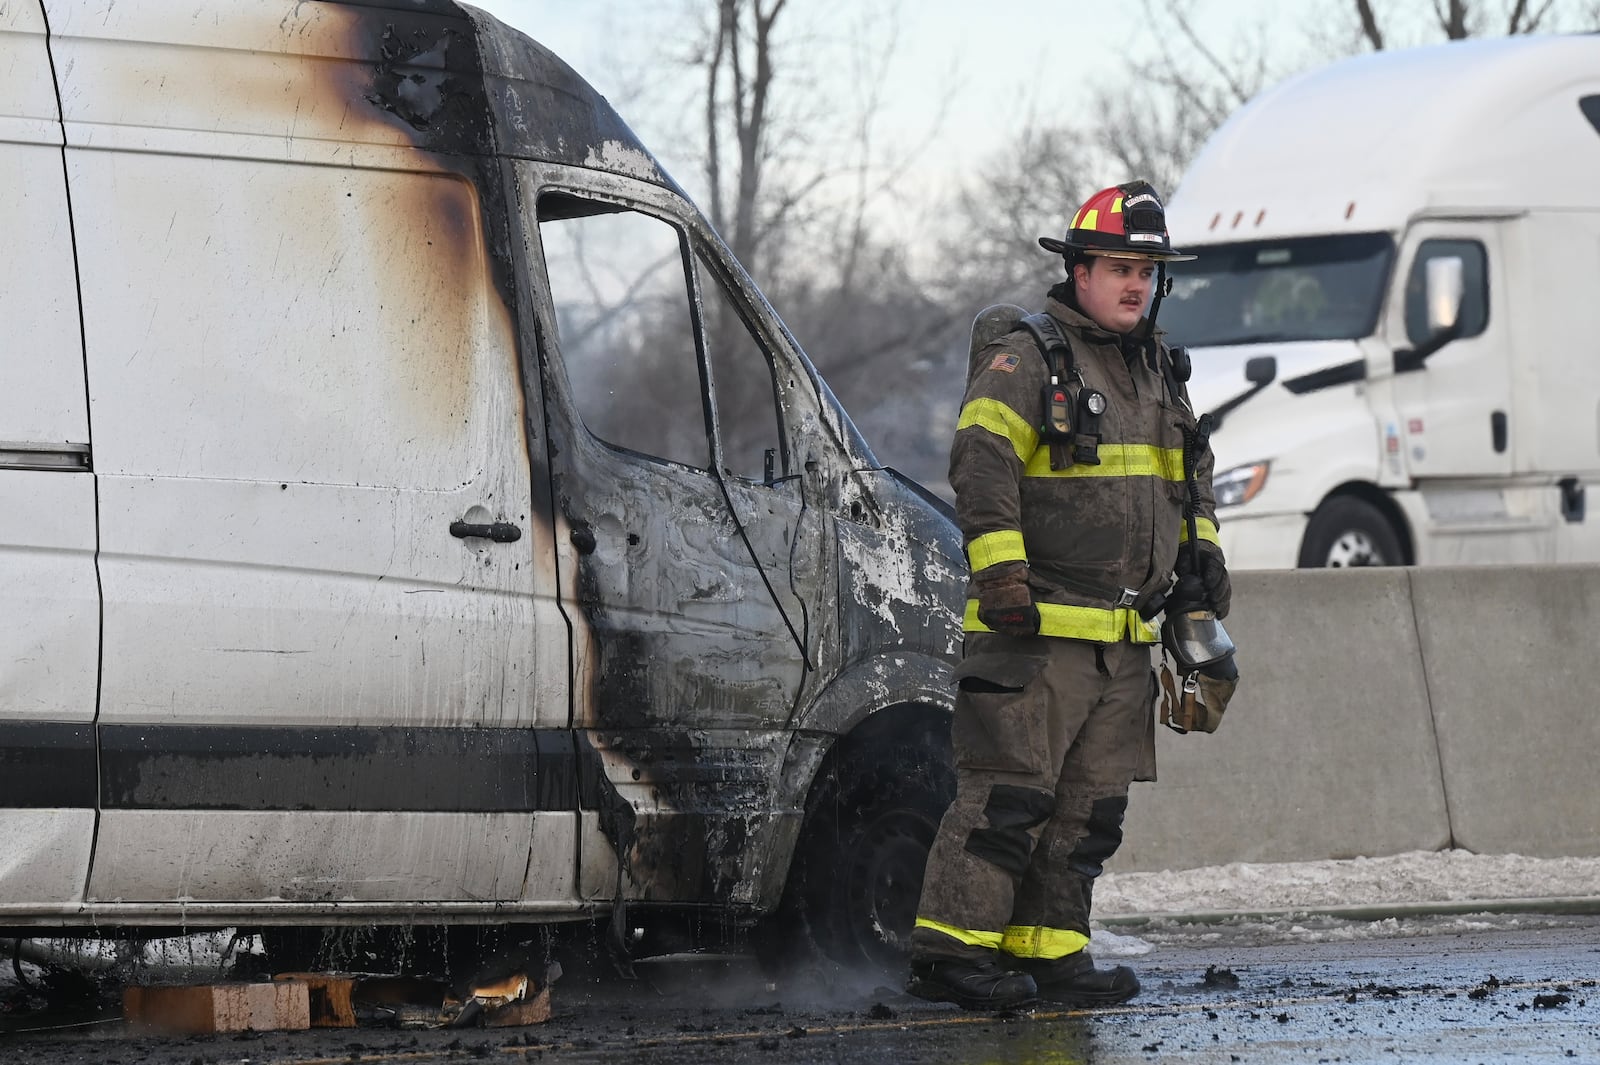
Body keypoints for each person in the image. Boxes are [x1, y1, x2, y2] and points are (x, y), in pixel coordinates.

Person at [907, 181, 1233, 1010]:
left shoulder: (1158, 371)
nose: (1136, 284)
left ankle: (1050, 951)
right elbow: (981, 463)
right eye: (1120, 267)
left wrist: (1201, 566)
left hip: (1122, 640)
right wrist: (1002, 576)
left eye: (1148, 271)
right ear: (1079, 269)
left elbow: (1189, 482)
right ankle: (952, 954)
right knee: (1007, 800)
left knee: (1088, 814)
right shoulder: (1029, 356)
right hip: (1035, 635)